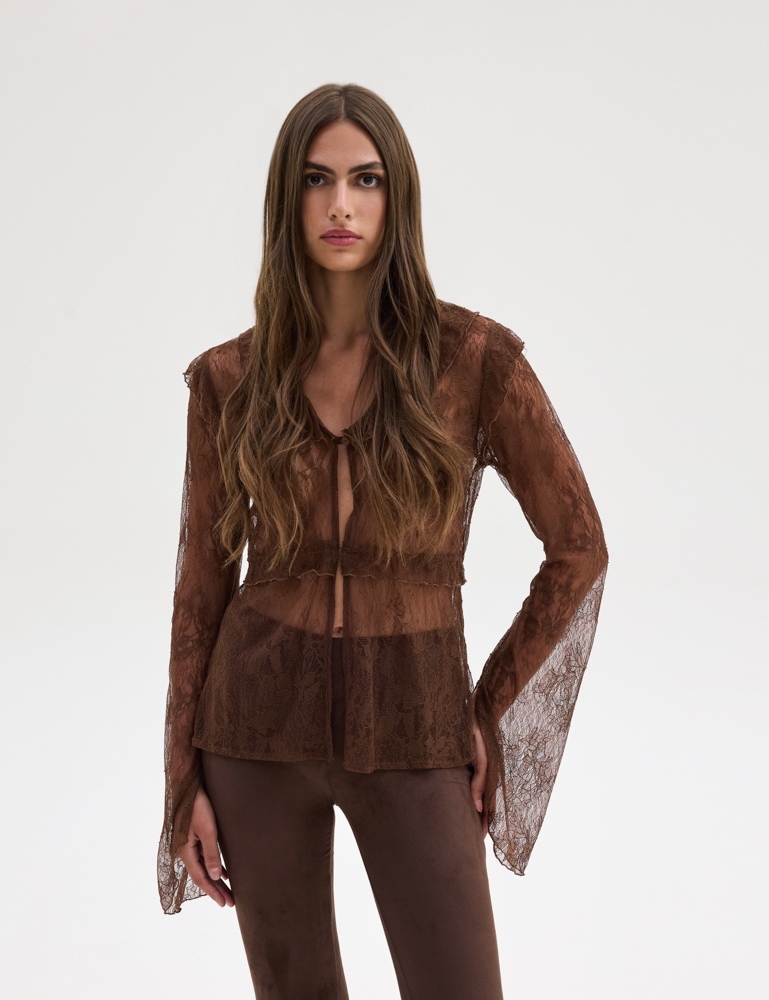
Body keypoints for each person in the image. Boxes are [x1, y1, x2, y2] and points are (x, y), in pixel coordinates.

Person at [157, 82, 608, 1000]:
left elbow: (579, 547)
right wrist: (181, 784)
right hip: (251, 735)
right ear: (287, 199)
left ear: (397, 195)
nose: (340, 204)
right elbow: (201, 591)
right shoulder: (232, 379)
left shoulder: (472, 359)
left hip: (414, 726)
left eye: (365, 179)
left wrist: (488, 705)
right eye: (316, 179)